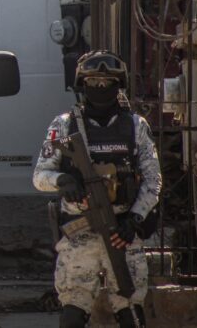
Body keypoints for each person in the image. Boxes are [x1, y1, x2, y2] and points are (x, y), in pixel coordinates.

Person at [33, 50, 162, 327]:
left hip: (122, 233)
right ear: (82, 84)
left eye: (107, 81)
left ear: (119, 84)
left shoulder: (136, 127)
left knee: (129, 307)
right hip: (80, 232)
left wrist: (135, 219)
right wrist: (63, 181)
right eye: (93, 81)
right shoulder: (63, 125)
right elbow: (40, 175)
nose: (101, 87)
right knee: (73, 309)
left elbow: (153, 181)